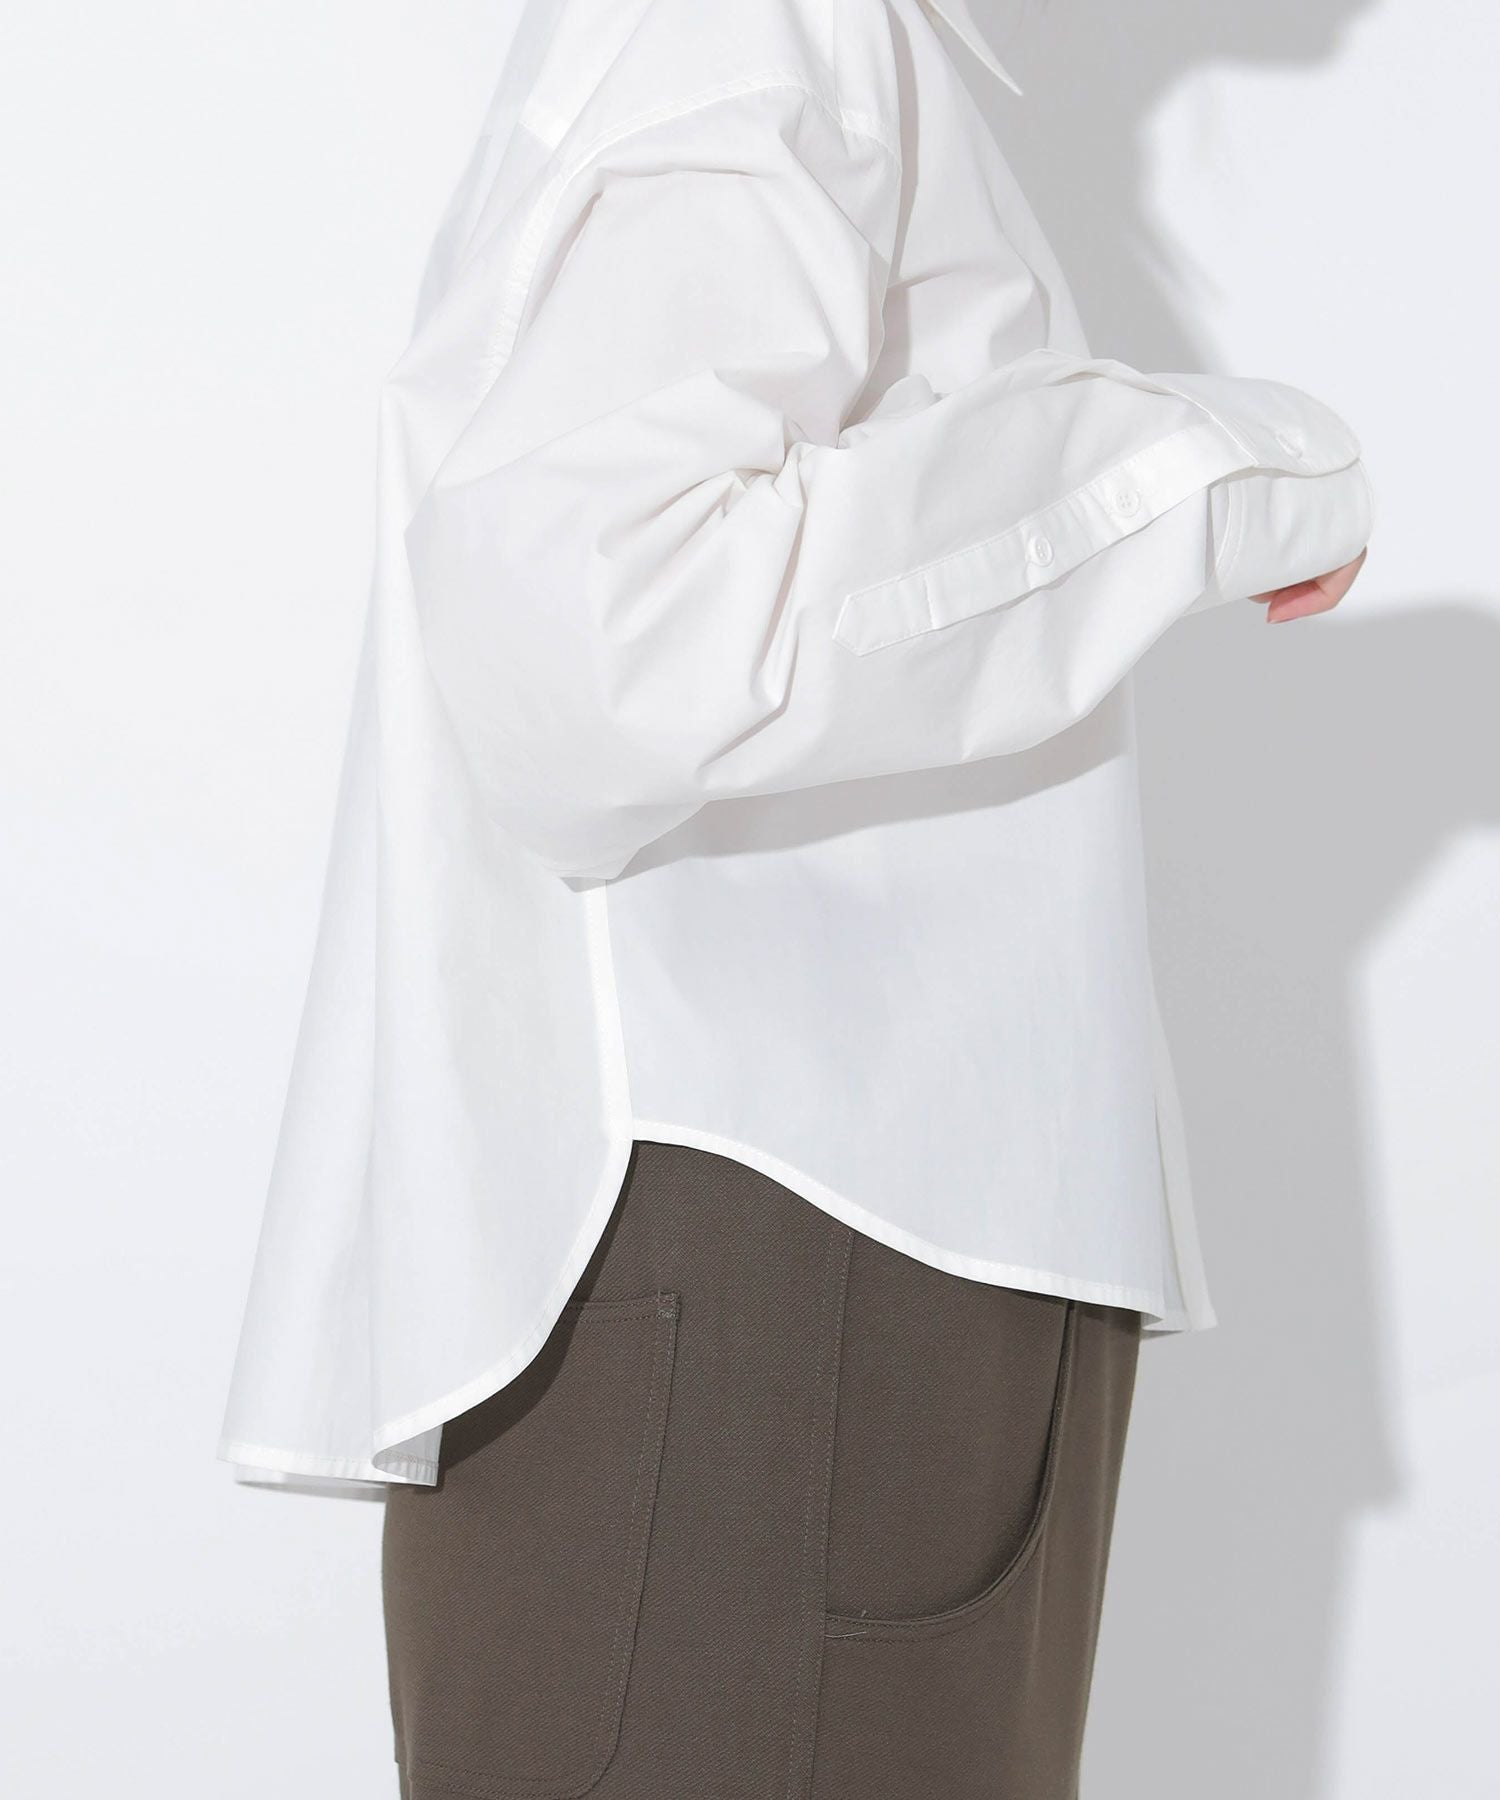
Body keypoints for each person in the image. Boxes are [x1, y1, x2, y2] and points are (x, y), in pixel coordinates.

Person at [219, 1, 1371, 1794]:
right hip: (770, 1301)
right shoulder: (756, 21)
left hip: (838, 1285)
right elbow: (607, 636)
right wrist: (1208, 471)